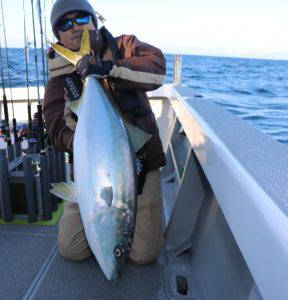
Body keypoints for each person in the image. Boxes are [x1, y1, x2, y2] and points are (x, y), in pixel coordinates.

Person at [44, 0, 167, 264]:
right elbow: (54, 127)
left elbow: (157, 69)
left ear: (94, 21)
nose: (74, 27)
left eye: (81, 18)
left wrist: (108, 69)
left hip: (143, 166)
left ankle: (151, 216)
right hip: (93, 174)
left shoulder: (124, 46)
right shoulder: (58, 79)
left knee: (144, 255)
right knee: (71, 250)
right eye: (65, 24)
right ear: (59, 35)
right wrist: (81, 139)